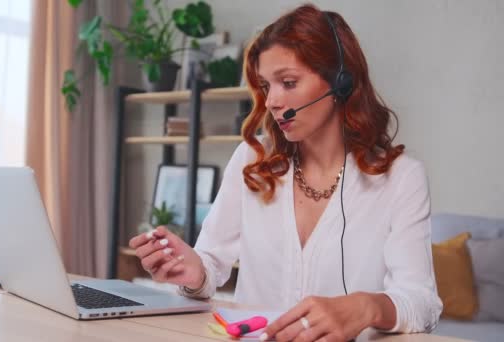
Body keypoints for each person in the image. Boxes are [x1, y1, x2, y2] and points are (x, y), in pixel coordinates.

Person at [128, 4, 442, 341]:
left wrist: (367, 306)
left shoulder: (400, 178)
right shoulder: (253, 158)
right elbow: (209, 264)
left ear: (340, 82)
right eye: (266, 86)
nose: (273, 101)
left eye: (288, 82)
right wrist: (192, 272)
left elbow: (421, 303)